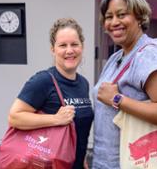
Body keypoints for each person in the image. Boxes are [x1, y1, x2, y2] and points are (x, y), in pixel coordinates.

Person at [92, 0, 157, 169]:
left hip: (131, 162)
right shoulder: (117, 57)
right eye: (109, 17)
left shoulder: (149, 54)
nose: (114, 22)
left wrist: (117, 99)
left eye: (122, 14)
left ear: (140, 17)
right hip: (106, 159)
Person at [8, 18, 94, 169]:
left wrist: (82, 158)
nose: (69, 50)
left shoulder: (83, 83)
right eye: (62, 45)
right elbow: (15, 117)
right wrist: (56, 119)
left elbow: (79, 129)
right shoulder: (43, 80)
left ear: (82, 46)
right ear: (53, 49)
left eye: (74, 44)